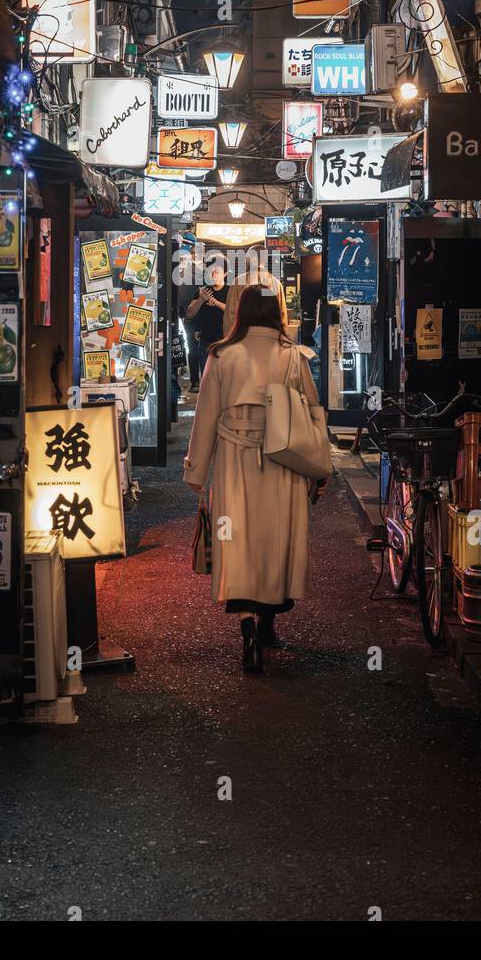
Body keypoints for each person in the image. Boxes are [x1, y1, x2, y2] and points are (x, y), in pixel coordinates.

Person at [183, 284, 327, 673]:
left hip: (234, 461)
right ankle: (268, 621)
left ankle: (247, 628)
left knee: (238, 540)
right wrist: (320, 466)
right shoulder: (293, 356)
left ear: (240, 312)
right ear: (277, 312)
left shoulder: (221, 356)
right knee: (275, 540)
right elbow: (314, 412)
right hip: (284, 460)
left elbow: (206, 418)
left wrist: (196, 470)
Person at [185, 256, 229, 375]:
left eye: (217, 271)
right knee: (207, 381)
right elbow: (189, 314)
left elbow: (236, 311)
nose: (213, 274)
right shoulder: (202, 291)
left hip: (227, 342)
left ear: (225, 273)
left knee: (226, 382)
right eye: (210, 271)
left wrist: (216, 303)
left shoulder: (231, 291)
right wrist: (200, 300)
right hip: (206, 343)